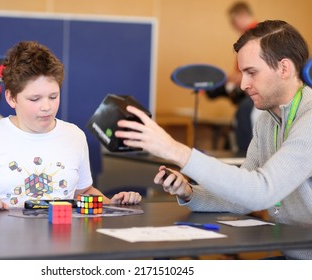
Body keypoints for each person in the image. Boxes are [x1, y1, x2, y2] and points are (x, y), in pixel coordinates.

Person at [115, 20, 312, 259]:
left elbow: (261, 191)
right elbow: (243, 198)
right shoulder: (267, 120)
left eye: (251, 72)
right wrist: (189, 193)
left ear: (284, 68)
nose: (243, 84)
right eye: (242, 73)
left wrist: (176, 150)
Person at [0, 41, 141, 211]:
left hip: (64, 250)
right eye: (35, 99)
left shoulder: (74, 136)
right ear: (11, 97)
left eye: (53, 96)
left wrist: (112, 203)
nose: (47, 107)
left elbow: (83, 192)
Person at [206, 2, 260, 155]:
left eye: (233, 20)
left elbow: (252, 70)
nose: (232, 25)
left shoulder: (253, 36)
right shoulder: (251, 35)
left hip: (254, 90)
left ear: (242, 15)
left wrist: (228, 78)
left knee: (243, 113)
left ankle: (244, 155)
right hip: (246, 88)